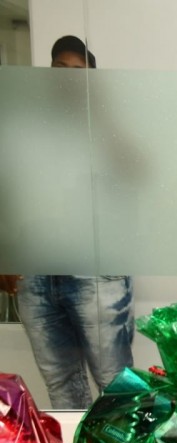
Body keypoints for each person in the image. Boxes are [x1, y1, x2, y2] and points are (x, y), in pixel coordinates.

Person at [5, 36, 134, 410]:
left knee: (115, 381)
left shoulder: (104, 124)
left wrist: (102, 114)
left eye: (79, 72)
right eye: (60, 69)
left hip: (94, 266)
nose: (68, 78)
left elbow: (136, 172)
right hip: (36, 269)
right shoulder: (25, 126)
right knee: (61, 383)